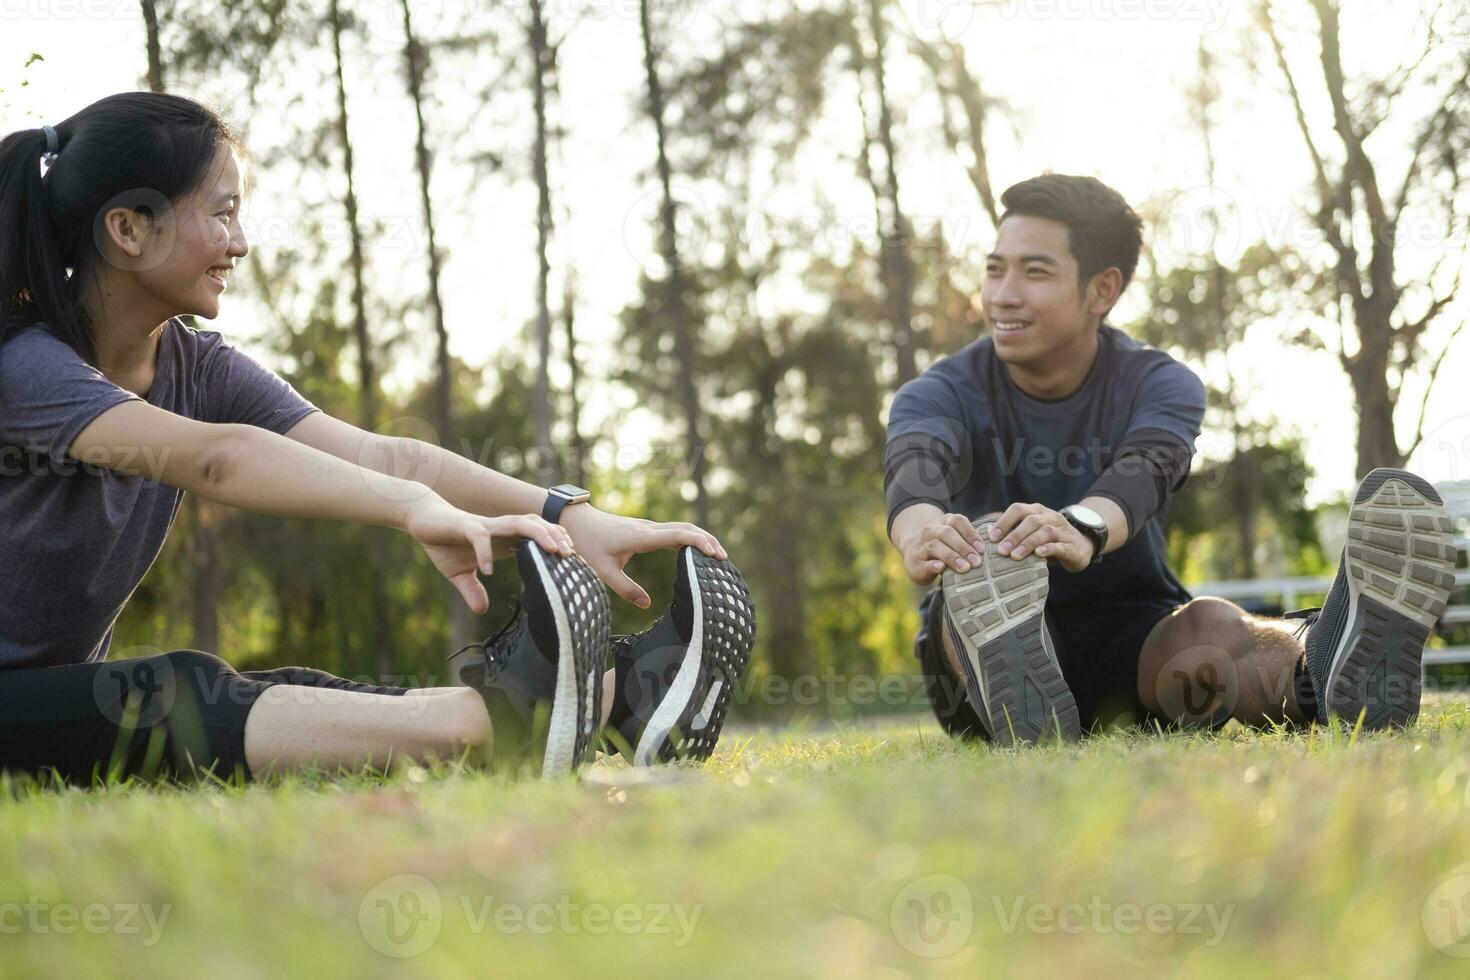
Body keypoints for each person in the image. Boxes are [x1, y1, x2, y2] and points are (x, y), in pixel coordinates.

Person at [0, 92, 754, 785]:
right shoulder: (25, 367)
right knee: (172, 692)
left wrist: (569, 518)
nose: (241, 243)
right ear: (129, 229)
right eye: (222, 214)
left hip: (44, 702)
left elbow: (389, 453)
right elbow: (214, 458)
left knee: (285, 692)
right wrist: (408, 509)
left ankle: (621, 701)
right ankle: (515, 721)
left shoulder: (198, 366)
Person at [884, 173, 1457, 745]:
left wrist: (1082, 527)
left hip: (1132, 636)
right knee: (988, 550)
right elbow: (916, 466)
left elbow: (1145, 468)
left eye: (1034, 272)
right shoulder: (939, 392)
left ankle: (1322, 674)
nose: (1002, 294)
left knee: (1212, 629)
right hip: (972, 646)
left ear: (1101, 291)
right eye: (994, 268)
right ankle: (1004, 675)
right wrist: (920, 533)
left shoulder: (1160, 383)